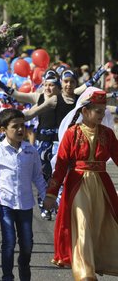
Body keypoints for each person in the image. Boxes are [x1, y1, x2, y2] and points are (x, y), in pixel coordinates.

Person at [43, 88, 118, 280]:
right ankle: (85, 274)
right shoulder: (72, 134)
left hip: (102, 185)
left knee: (100, 225)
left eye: (103, 111)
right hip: (77, 185)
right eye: (98, 111)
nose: (102, 115)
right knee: (82, 226)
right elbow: (60, 165)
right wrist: (51, 194)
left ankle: (99, 263)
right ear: (85, 111)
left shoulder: (108, 135)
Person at [0, 108, 47, 281]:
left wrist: (47, 196)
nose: (20, 130)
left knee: (27, 244)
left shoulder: (30, 151)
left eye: (23, 125)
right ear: (3, 130)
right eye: (15, 126)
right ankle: (7, 277)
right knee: (9, 242)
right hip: (5, 204)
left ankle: (24, 269)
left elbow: (37, 177)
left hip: (26, 204)